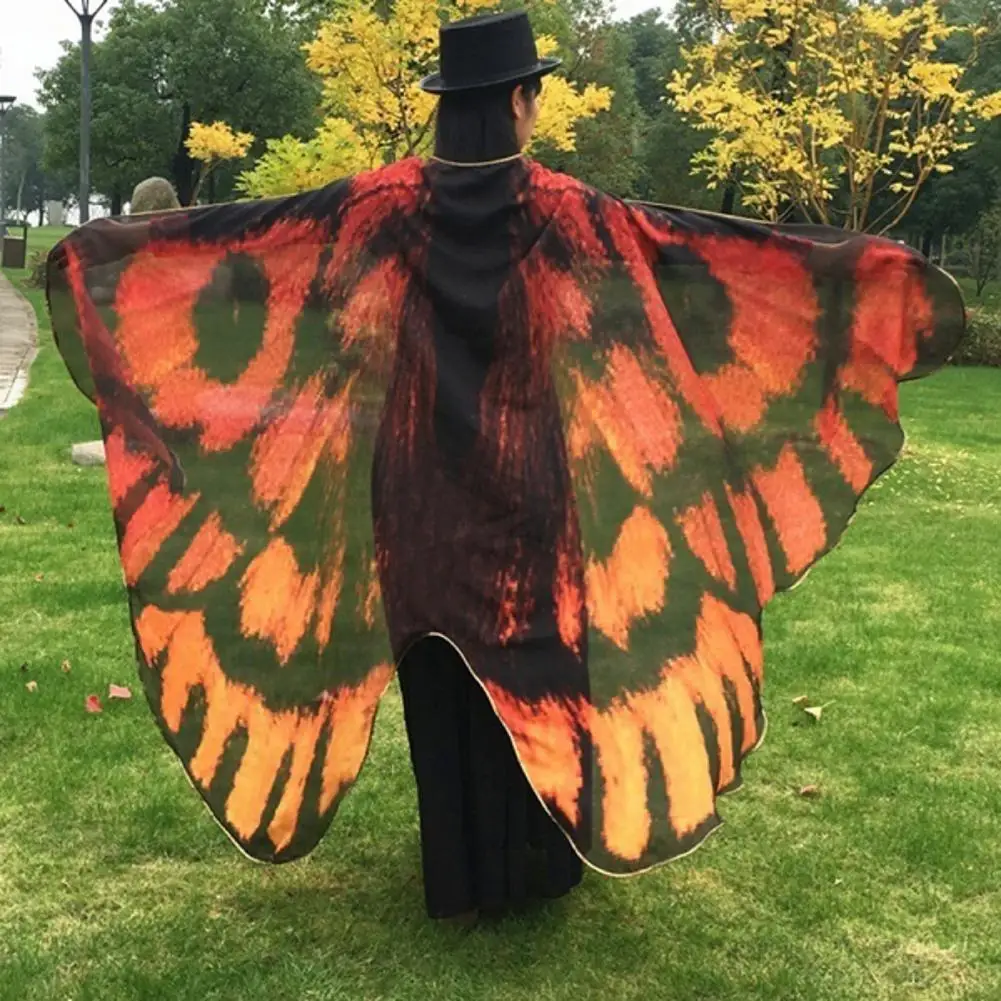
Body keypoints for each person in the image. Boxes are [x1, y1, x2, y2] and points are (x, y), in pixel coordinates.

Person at [45, 9, 966, 924]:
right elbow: (686, 255)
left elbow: (261, 236)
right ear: (519, 101)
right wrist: (862, 281)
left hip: (411, 500)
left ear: (448, 106)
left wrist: (110, 260)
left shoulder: (375, 209)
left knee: (435, 669)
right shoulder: (570, 214)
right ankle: (533, 869)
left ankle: (457, 876)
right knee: (538, 670)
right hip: (532, 497)